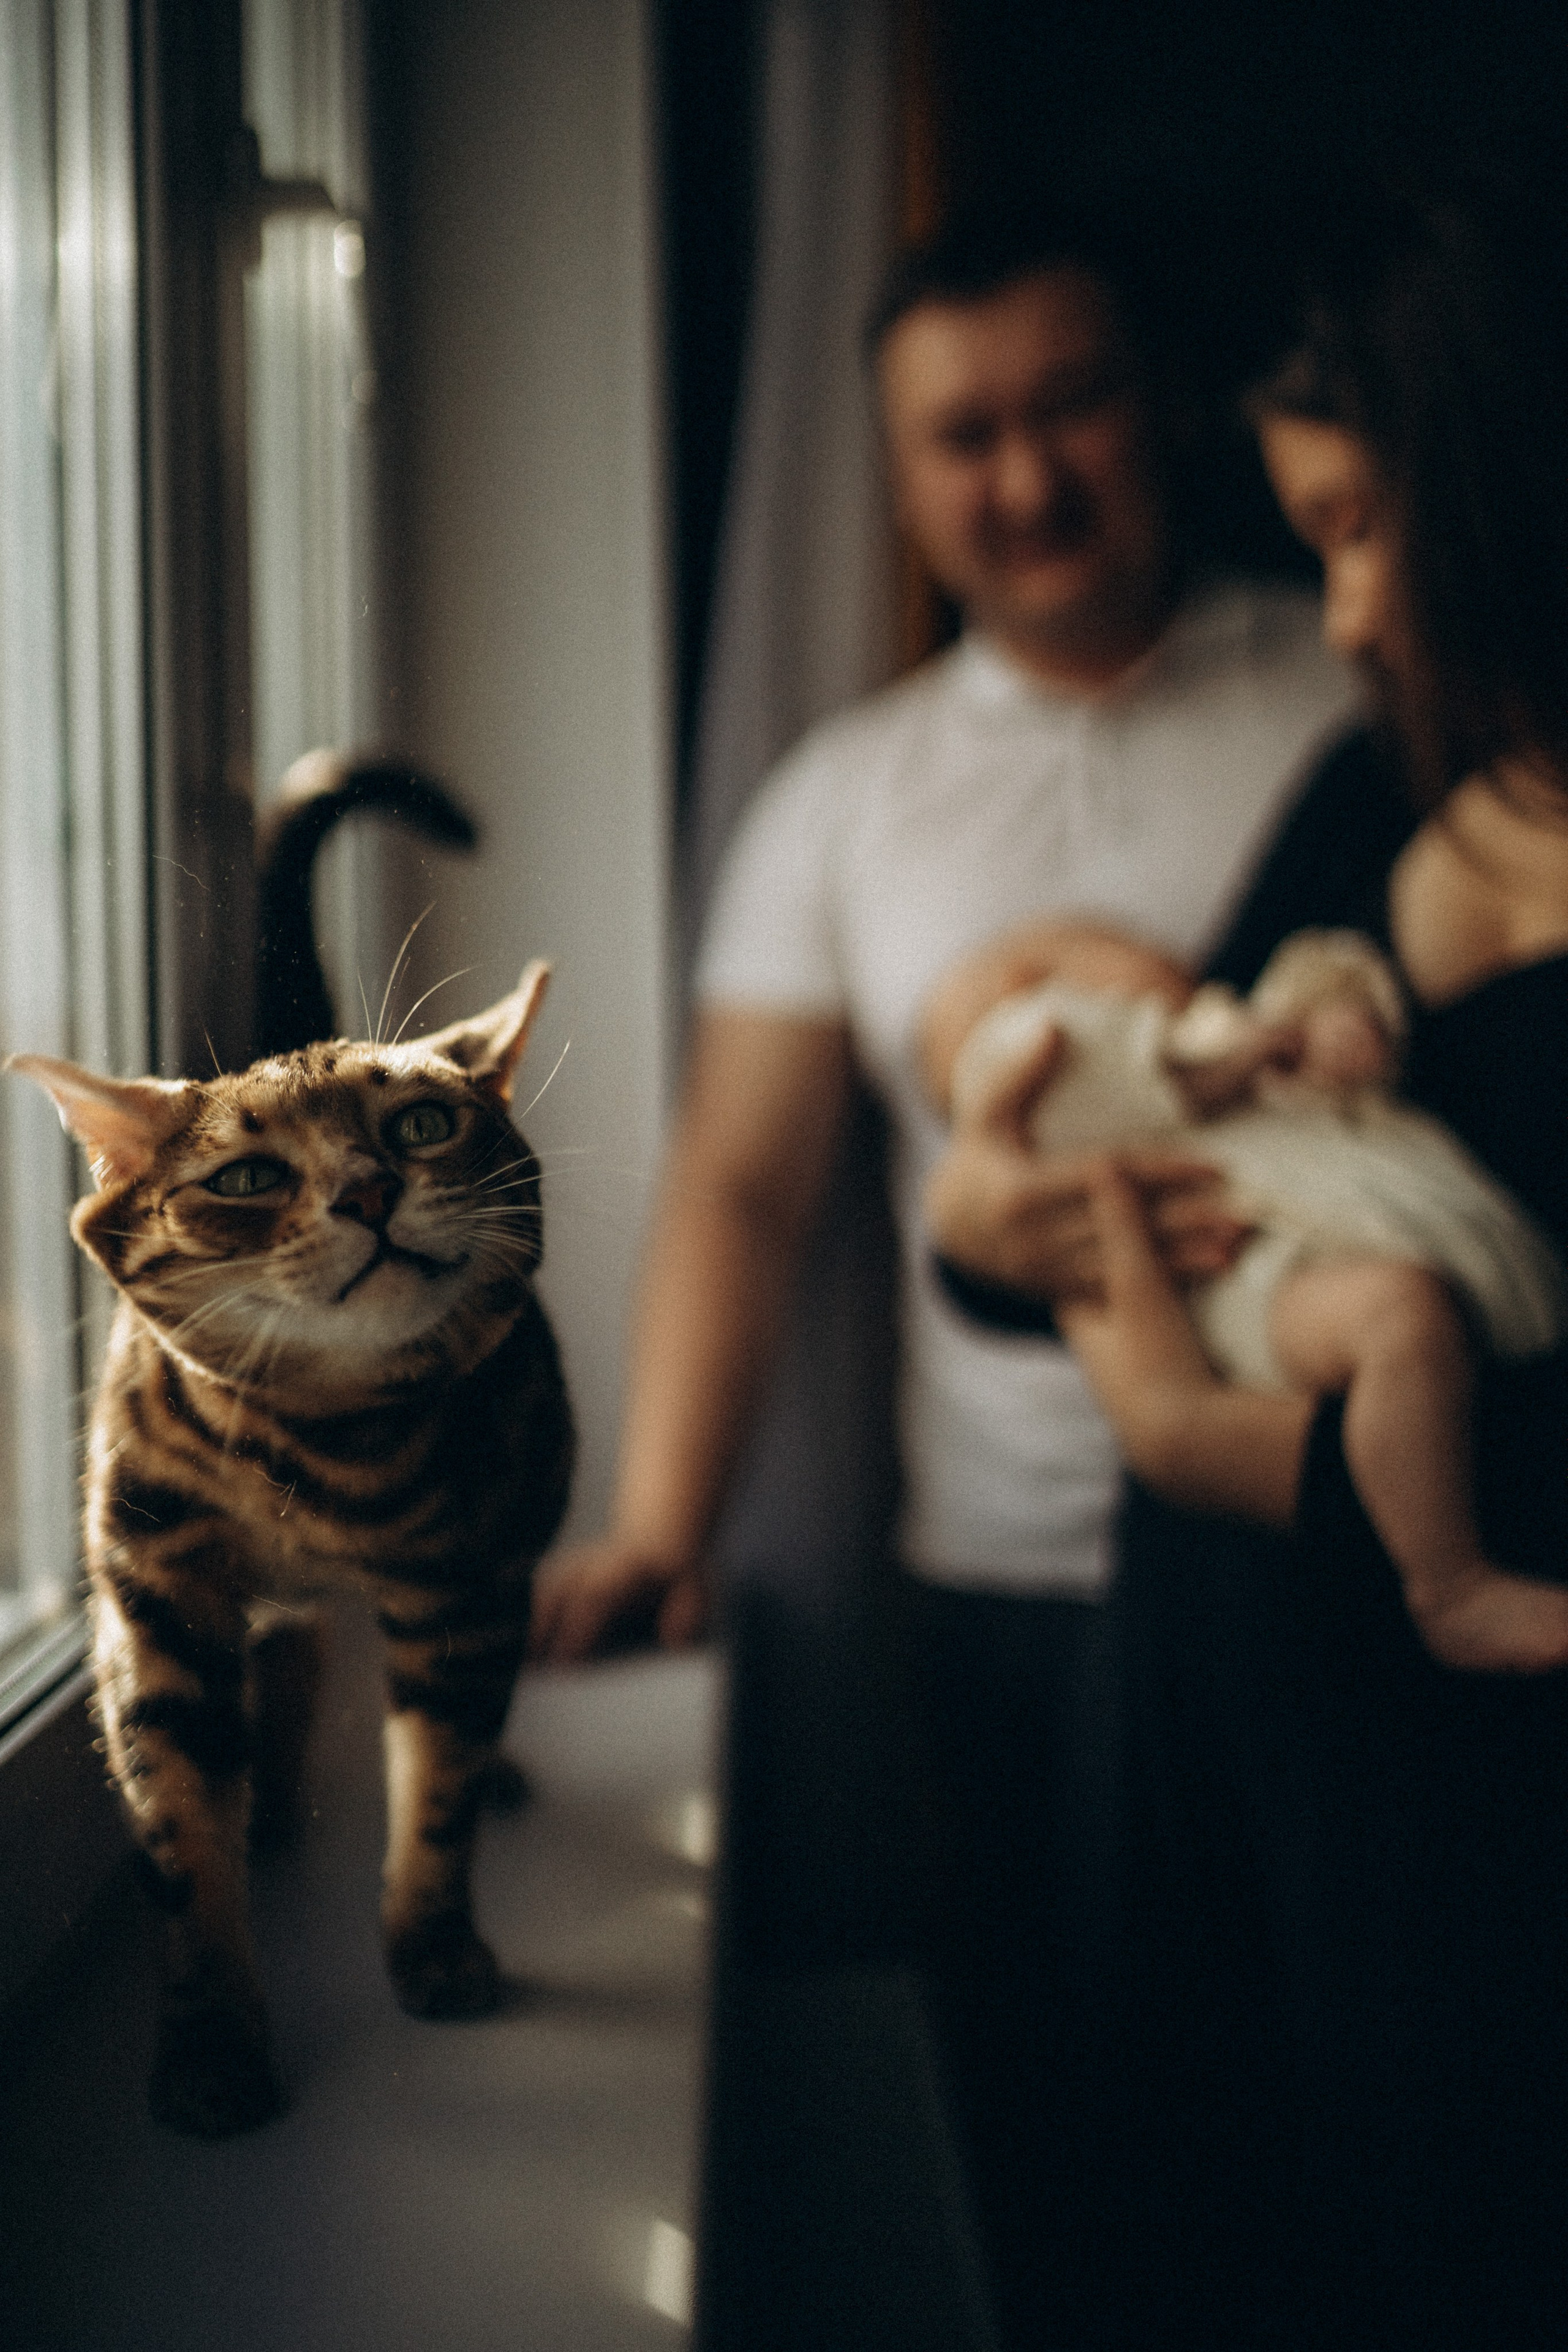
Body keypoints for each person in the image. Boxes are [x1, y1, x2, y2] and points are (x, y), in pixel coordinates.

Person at [530, 205, 1368, 2347]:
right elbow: (739, 1185)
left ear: (1160, 400)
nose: (1026, 474)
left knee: (1344, 2129)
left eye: (1069, 401)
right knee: (1077, 2144)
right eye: (963, 432)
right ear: (900, 473)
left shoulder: (1361, 683)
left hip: (1346, 1527)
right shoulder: (846, 801)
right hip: (1010, 1586)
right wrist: (654, 1524)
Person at [924, 183, 1568, 2351]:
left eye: (1375, 527)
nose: (1355, 610)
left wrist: (1237, 1453)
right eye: (1314, 537)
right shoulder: (1373, 793)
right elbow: (1166, 1138)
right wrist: (989, 1227)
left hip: (1492, 1837)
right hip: (1214, 1760)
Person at [925, 916, 1568, 1672]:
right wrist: (1242, 1059)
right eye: (1079, 944)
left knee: (1422, 1313)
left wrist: (1340, 1020)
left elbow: (1322, 978)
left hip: (1373, 1231)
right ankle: (1452, 1584)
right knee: (1399, 1317)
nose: (1137, 945)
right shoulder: (1040, 1044)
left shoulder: (1220, 1018)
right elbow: (1095, 1081)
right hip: (1259, 1271)